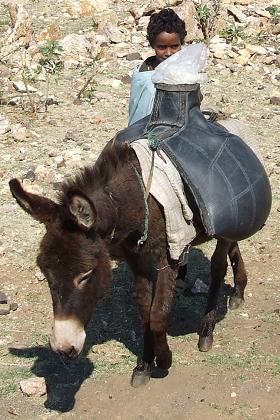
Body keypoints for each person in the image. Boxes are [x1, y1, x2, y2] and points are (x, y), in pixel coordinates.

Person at [128, 8, 187, 125]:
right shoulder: (144, 77)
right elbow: (140, 116)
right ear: (152, 44)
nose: (169, 53)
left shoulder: (186, 72)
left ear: (181, 43)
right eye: (162, 47)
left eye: (174, 46)